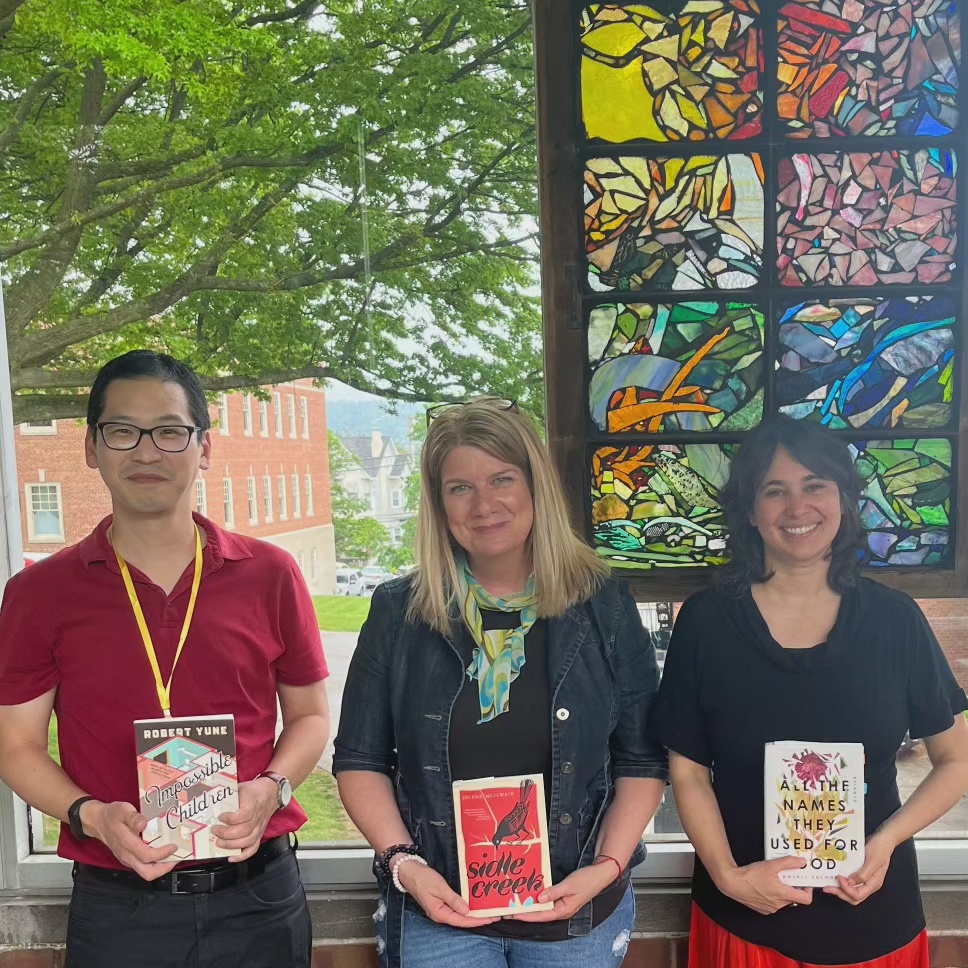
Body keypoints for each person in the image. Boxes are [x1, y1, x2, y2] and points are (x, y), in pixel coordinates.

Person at [0, 351, 330, 968]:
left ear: (203, 447)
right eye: (122, 431)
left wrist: (272, 788)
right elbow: (15, 744)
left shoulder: (270, 574)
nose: (147, 452)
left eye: (170, 431)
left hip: (259, 896)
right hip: (118, 907)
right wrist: (90, 815)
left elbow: (310, 716)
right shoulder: (40, 593)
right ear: (91, 447)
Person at [333, 397, 667, 968]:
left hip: (576, 914)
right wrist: (404, 865)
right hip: (438, 912)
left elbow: (642, 759)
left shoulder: (604, 604)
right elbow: (360, 759)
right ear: (439, 504)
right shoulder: (399, 612)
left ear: (536, 486)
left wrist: (605, 868)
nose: (484, 504)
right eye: (460, 488)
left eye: (502, 479)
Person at [652, 416, 968, 968]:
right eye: (774, 490)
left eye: (814, 485)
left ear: (843, 497)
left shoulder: (896, 621)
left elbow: (956, 760)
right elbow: (688, 773)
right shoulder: (705, 622)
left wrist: (886, 842)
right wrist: (728, 877)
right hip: (743, 916)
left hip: (873, 916)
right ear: (750, 511)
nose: (797, 507)